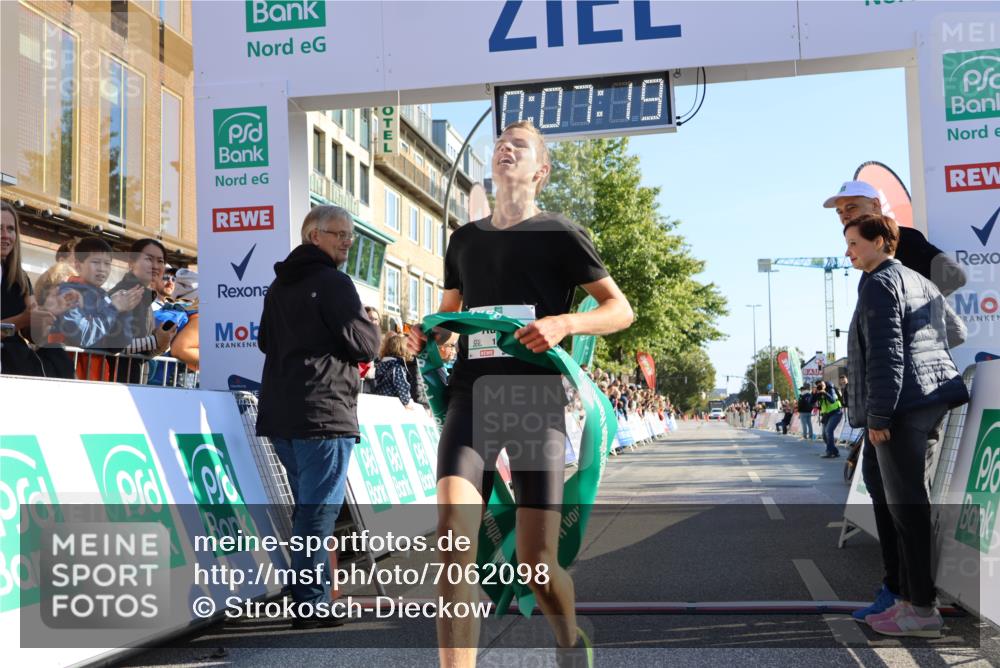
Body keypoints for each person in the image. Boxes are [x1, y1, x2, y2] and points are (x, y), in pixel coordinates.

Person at [408, 120, 633, 668]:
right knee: (453, 545)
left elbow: (619, 310)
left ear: (541, 171)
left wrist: (563, 324)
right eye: (501, 144)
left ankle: (567, 641)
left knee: (536, 561)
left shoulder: (560, 233)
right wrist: (428, 333)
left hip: (536, 399)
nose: (506, 148)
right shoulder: (464, 240)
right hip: (472, 395)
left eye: (521, 146)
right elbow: (452, 315)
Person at [823, 181, 967, 620]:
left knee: (905, 503)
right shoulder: (888, 274)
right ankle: (901, 591)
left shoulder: (891, 269)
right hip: (918, 396)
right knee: (889, 495)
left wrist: (912, 323)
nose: (846, 215)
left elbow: (889, 350)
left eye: (854, 210)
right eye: (841, 213)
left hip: (902, 400)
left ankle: (915, 602)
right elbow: (954, 331)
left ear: (877, 214)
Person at [256, 205, 380, 629]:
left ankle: (314, 595)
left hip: (282, 412)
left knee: (309, 510)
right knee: (317, 512)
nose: (347, 240)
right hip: (324, 411)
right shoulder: (334, 282)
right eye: (338, 234)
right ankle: (310, 602)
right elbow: (366, 344)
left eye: (350, 234)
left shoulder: (277, 285)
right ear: (314, 236)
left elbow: (263, 341)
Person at [1, 201, 71, 378]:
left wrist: (48, 313)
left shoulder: (20, 277)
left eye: (10, 229)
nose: (5, 235)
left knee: (62, 363)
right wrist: (22, 320)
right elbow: (24, 320)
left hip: (16, 367)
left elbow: (33, 334)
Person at [108, 238, 174, 382]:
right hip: (114, 383)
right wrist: (155, 340)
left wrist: (160, 344)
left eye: (160, 261)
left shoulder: (145, 296)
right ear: (132, 263)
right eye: (149, 259)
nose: (155, 266)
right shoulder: (124, 294)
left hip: (133, 382)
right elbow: (114, 345)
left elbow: (142, 350)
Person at [373, 333, 413, 406]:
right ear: (402, 348)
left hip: (378, 399)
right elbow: (401, 385)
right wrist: (406, 402)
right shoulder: (397, 366)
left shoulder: (382, 363)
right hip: (392, 403)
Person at [813, 381, 843, 458]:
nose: (819, 387)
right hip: (826, 415)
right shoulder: (818, 392)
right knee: (824, 435)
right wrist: (814, 393)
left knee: (829, 431)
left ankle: (829, 452)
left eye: (821, 385)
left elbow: (832, 400)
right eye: (818, 386)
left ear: (824, 384)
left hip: (836, 412)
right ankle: (835, 451)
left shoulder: (830, 389)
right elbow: (810, 402)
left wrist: (824, 392)